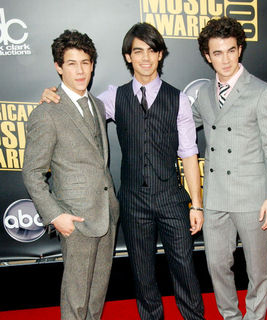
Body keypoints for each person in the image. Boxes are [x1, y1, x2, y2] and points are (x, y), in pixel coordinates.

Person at [40, 23, 204, 320]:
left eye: (152, 51)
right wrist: (53, 94)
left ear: (161, 55)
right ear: (128, 57)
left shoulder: (178, 99)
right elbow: (78, 107)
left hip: (172, 199)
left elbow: (190, 153)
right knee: (142, 275)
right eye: (137, 51)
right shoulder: (113, 98)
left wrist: (197, 203)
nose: (145, 58)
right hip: (132, 202)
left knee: (184, 269)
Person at [192, 17, 267, 320]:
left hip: (253, 197)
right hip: (216, 196)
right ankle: (230, 316)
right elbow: (176, 122)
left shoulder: (263, 92)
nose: (225, 59)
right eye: (217, 53)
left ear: (240, 49)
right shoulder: (204, 94)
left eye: (231, 51)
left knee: (257, 268)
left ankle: (254, 317)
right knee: (217, 265)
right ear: (208, 56)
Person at [22, 30, 119, 320]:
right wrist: (55, 216)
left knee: (96, 296)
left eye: (86, 62)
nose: (80, 70)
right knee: (76, 299)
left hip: (106, 214)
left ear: (93, 65)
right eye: (72, 63)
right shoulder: (47, 113)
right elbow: (32, 173)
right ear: (58, 66)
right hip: (74, 218)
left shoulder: (97, 105)